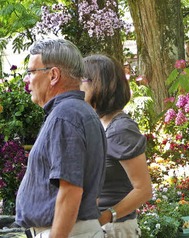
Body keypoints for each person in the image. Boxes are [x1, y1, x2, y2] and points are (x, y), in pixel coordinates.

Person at [16, 39, 106, 237]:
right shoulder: (77, 112)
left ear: (53, 75)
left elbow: (71, 191)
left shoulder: (66, 115)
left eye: (31, 72)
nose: (27, 79)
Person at [81, 55, 153, 237]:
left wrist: (106, 217)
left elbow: (143, 190)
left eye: (80, 80)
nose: (76, 86)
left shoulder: (121, 129)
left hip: (115, 229)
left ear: (98, 84)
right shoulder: (98, 123)